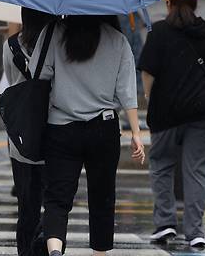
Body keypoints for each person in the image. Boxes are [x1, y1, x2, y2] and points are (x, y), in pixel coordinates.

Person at [30, 15, 145, 256]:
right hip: (103, 129)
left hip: (61, 126)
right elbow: (127, 91)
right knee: (102, 197)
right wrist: (136, 132)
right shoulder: (118, 40)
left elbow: (37, 73)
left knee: (57, 196)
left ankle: (54, 249)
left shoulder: (54, 33)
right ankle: (99, 254)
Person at [138, 0, 205, 250]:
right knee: (197, 171)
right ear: (196, 4)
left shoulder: (159, 31)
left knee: (162, 166)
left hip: (166, 111)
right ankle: (195, 230)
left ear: (168, 4)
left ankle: (165, 224)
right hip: (203, 111)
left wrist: (150, 99)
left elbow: (148, 72)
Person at [2, 8, 55, 256]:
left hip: (22, 132)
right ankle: (45, 244)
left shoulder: (10, 45)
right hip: (53, 127)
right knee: (54, 199)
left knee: (26, 202)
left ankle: (25, 250)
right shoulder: (57, 43)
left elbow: (12, 81)